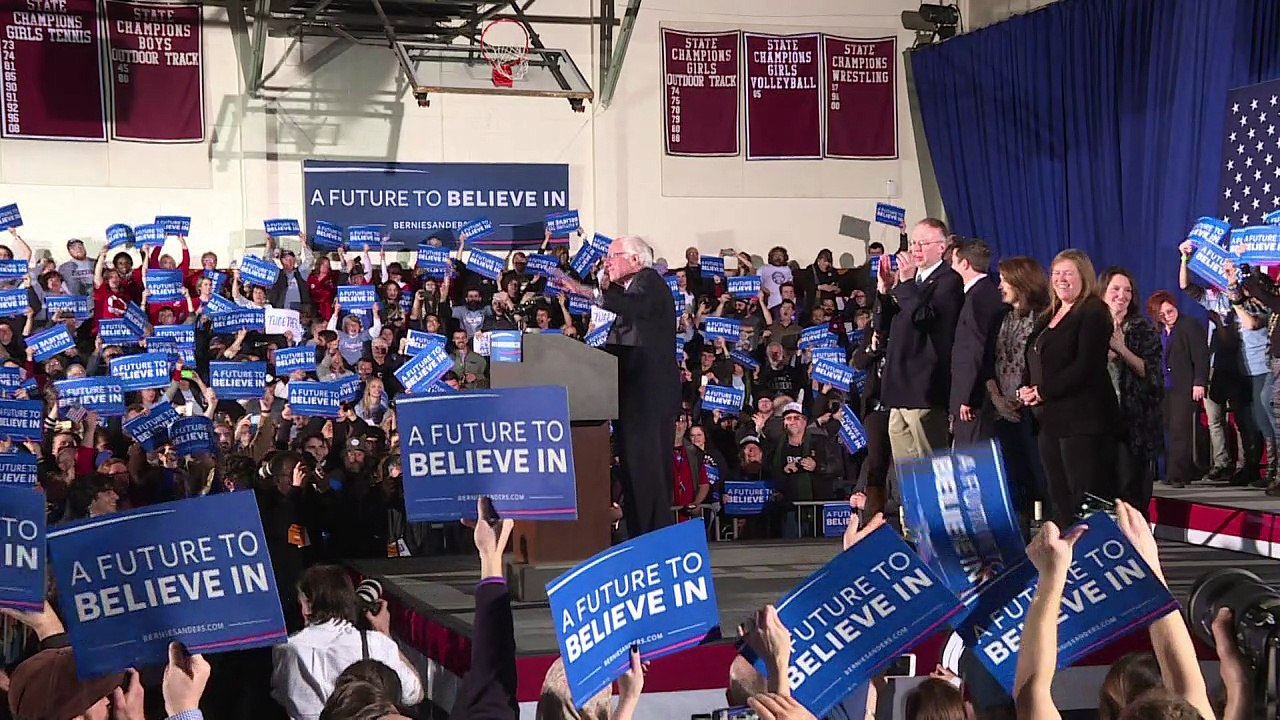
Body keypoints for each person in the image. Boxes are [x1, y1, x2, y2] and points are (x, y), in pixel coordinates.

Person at [557, 235, 679, 538]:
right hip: (633, 398)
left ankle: (655, 544)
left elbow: (632, 308)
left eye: (613, 256)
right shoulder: (633, 293)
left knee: (648, 477)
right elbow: (620, 345)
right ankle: (641, 539)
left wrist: (585, 291)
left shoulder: (648, 281)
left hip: (648, 399)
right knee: (636, 477)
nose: (606, 262)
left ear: (636, 260)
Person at [1018, 249, 1119, 526]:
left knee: (1081, 495)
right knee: (1057, 495)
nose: (1061, 279)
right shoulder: (1049, 314)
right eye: (1057, 273)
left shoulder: (1094, 312)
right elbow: (1035, 356)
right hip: (1049, 420)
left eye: (1068, 273)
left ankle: (1086, 554)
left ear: (1083, 277)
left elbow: (1086, 365)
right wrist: (1026, 387)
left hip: (1081, 420)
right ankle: (1064, 556)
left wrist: (1043, 391)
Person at [270, 564, 423, 720]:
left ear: (307, 608)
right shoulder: (375, 643)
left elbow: (282, 694)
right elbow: (415, 694)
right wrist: (384, 632)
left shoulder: (286, 648)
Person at [879, 218, 964, 462]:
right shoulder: (910, 280)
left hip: (923, 387)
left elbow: (924, 318)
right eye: (913, 243)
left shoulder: (949, 281)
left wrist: (904, 284)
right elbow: (885, 325)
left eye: (922, 243)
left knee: (932, 462)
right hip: (899, 388)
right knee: (906, 467)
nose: (915, 249)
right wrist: (885, 291)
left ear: (941, 247)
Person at [1099, 268, 1163, 512]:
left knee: (1131, 493)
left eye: (1127, 290)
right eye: (1115, 289)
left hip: (1133, 425)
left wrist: (1122, 350)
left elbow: (1152, 374)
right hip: (1099, 422)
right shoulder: (1092, 326)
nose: (1121, 295)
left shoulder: (1141, 329)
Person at [1148, 289, 1207, 490]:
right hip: (1165, 386)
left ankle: (1179, 475)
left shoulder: (1189, 325)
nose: (1167, 317)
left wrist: (1199, 382)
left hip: (1184, 385)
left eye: (1170, 311)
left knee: (1180, 430)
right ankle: (1172, 471)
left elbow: (1200, 355)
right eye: (1162, 315)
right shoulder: (1159, 331)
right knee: (1169, 429)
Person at [949, 238, 1005, 446]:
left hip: (975, 399)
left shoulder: (977, 298)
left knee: (972, 455)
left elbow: (975, 349)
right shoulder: (984, 293)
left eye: (954, 263)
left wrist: (967, 396)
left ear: (965, 264)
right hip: (977, 394)